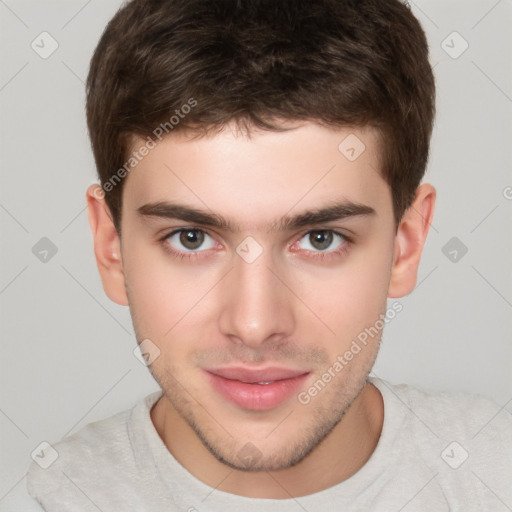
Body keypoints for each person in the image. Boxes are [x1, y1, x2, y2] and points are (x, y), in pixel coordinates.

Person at [26, 0, 512, 510]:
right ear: (112, 248)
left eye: (321, 238)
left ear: (405, 244)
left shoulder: (492, 478)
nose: (255, 325)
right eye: (190, 237)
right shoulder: (51, 498)